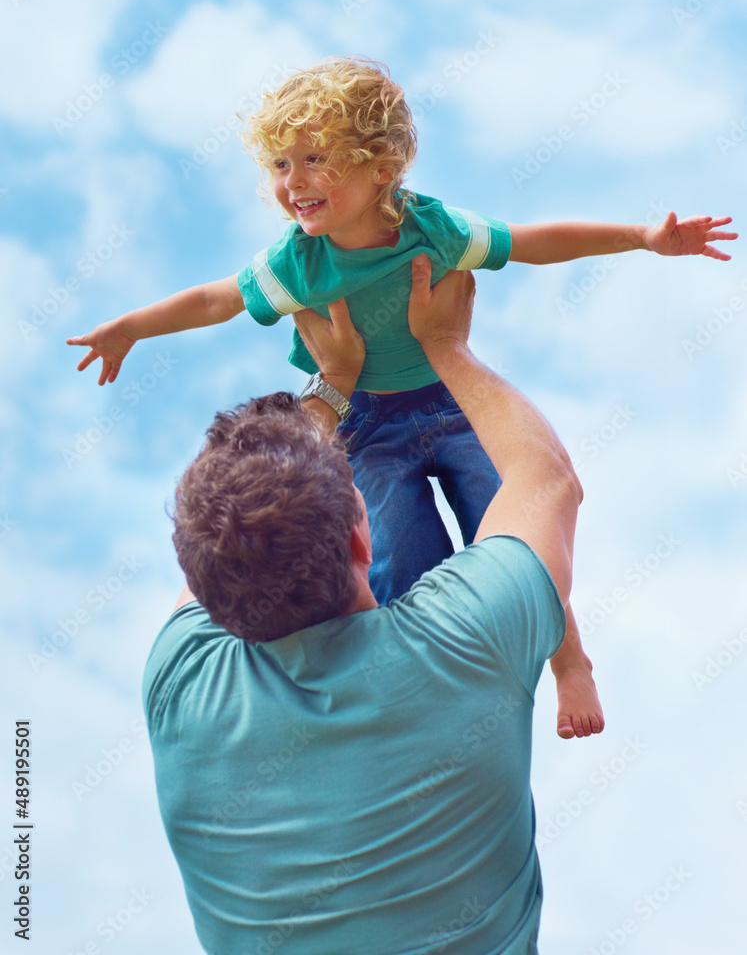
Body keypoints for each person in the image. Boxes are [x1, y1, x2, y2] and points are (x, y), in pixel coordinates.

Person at [69, 57, 736, 738]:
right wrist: (132, 328)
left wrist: (644, 240)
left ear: (379, 165)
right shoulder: (297, 262)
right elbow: (215, 299)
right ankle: (422, 697)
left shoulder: (433, 230)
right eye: (278, 165)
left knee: (512, 523)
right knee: (401, 554)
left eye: (313, 159)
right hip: (366, 426)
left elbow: (531, 241)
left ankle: (569, 663)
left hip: (452, 407)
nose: (289, 183)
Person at [144, 258, 583, 954]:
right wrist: (445, 345)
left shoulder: (182, 682)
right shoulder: (460, 640)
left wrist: (333, 387)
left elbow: (227, 534)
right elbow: (545, 478)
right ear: (359, 533)